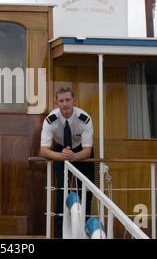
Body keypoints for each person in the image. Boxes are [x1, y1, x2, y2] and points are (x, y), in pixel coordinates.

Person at [40, 86, 95, 238]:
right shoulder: (50, 120)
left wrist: (72, 157)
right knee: (61, 192)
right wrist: (61, 156)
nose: (65, 104)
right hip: (59, 151)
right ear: (56, 103)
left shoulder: (84, 118)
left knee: (86, 191)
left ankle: (85, 233)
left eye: (68, 100)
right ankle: (61, 234)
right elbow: (44, 150)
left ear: (74, 101)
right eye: (61, 101)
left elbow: (87, 151)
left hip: (81, 153)